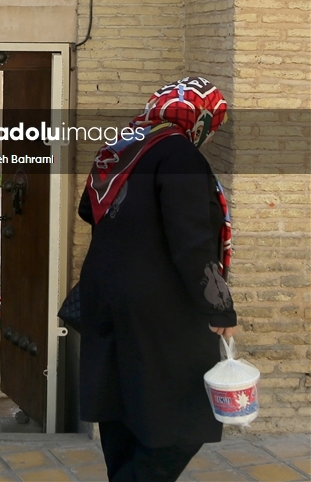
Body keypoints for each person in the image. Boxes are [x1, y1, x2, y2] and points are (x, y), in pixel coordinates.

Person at [78, 77, 237, 482]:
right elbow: (192, 242)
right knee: (181, 421)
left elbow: (87, 209)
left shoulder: (125, 144)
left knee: (122, 409)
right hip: (158, 307)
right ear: (200, 117)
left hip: (106, 292)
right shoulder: (178, 153)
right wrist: (218, 305)